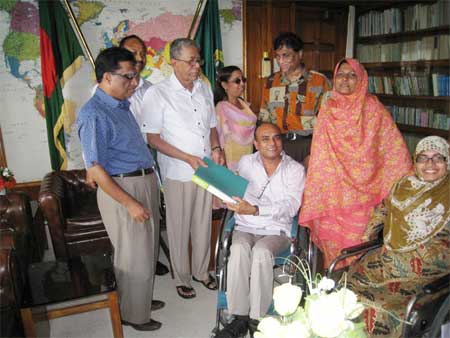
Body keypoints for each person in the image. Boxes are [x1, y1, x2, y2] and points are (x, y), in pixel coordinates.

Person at [299, 58, 413, 270]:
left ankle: (355, 292)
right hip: (332, 193)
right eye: (341, 74)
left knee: (357, 247)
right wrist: (318, 188)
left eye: (352, 75)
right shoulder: (328, 108)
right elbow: (320, 152)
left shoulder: (374, 109)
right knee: (331, 249)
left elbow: (394, 149)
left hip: (364, 194)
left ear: (361, 80)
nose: (345, 79)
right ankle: (335, 290)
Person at [77, 47, 161, 331]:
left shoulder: (121, 105)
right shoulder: (93, 113)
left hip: (142, 180)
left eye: (135, 76)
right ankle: (133, 314)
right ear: (106, 77)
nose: (134, 83)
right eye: (128, 77)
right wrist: (129, 203)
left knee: (146, 249)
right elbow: (96, 169)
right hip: (122, 187)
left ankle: (140, 299)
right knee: (132, 254)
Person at [142, 38, 224, 299]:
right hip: (178, 171)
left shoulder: (203, 89)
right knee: (179, 226)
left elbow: (212, 126)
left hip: (206, 168)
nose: (196, 65)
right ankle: (182, 277)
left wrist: (217, 148)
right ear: (173, 62)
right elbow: (152, 138)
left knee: (202, 222)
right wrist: (187, 158)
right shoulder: (157, 93)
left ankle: (202, 272)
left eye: (198, 60)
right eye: (190, 61)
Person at [347, 135, 450, 337]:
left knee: (382, 310)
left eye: (438, 157)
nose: (430, 164)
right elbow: (384, 209)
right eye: (423, 158)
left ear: (448, 161)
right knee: (347, 288)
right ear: (415, 162)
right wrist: (368, 237)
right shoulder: (404, 185)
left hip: (431, 267)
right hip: (390, 258)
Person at [216, 123, 306, 338]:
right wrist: (225, 192)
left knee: (261, 253)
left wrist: (257, 209)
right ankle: (239, 318)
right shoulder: (246, 163)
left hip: (277, 230)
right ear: (256, 143)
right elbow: (233, 188)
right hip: (246, 225)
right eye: (265, 139)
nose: (272, 143)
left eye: (276, 138)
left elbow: (292, 206)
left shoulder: (294, 169)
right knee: (237, 249)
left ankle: (257, 317)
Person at [119, 34, 169, 278]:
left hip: (150, 154)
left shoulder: (150, 89)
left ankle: (152, 255)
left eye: (142, 53)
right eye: (132, 52)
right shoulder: (109, 90)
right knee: (129, 214)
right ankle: (131, 266)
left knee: (152, 207)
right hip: (122, 162)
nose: (138, 58)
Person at [259, 32, 331, 167]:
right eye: (278, 56)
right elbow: (265, 119)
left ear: (300, 54)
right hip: (278, 146)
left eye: (286, 55)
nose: (280, 61)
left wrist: (317, 153)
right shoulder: (271, 82)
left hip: (309, 147)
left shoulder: (319, 82)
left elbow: (328, 123)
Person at [214, 65, 256, 172]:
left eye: (243, 80)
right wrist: (223, 165)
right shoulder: (222, 107)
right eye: (237, 81)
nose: (242, 84)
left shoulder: (245, 104)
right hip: (230, 160)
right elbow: (219, 139)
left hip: (248, 157)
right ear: (224, 85)